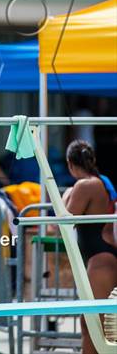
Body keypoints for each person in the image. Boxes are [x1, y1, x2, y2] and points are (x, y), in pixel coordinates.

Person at [63, 140, 117, 354]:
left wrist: (66, 194)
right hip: (102, 257)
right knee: (94, 325)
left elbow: (63, 223)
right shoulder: (101, 181)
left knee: (95, 326)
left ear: (70, 163)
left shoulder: (85, 186)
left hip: (100, 260)